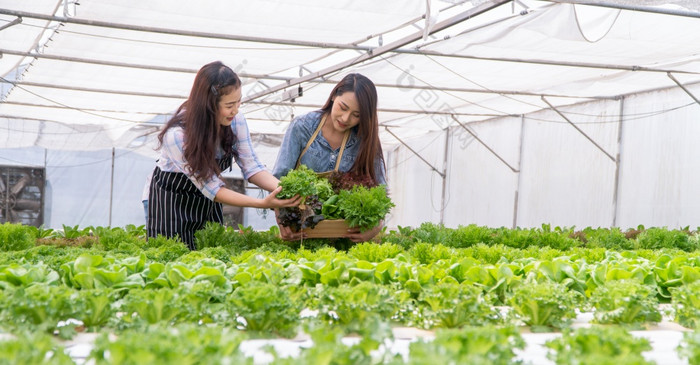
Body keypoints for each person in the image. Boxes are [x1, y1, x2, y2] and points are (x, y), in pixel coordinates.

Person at [147, 61, 299, 250]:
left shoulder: (236, 121)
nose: (235, 110)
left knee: (211, 255)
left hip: (209, 199)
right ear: (208, 105)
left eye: (238, 102)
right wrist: (262, 203)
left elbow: (252, 167)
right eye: (229, 105)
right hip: (172, 200)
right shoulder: (178, 136)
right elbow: (213, 189)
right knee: (171, 258)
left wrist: (287, 190)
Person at [272, 73, 386, 242]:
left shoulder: (366, 140)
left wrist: (375, 228)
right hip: (301, 234)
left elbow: (381, 194)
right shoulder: (302, 127)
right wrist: (282, 221)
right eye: (343, 107)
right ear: (334, 96)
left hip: (345, 238)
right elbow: (279, 179)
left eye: (357, 115)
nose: (346, 118)